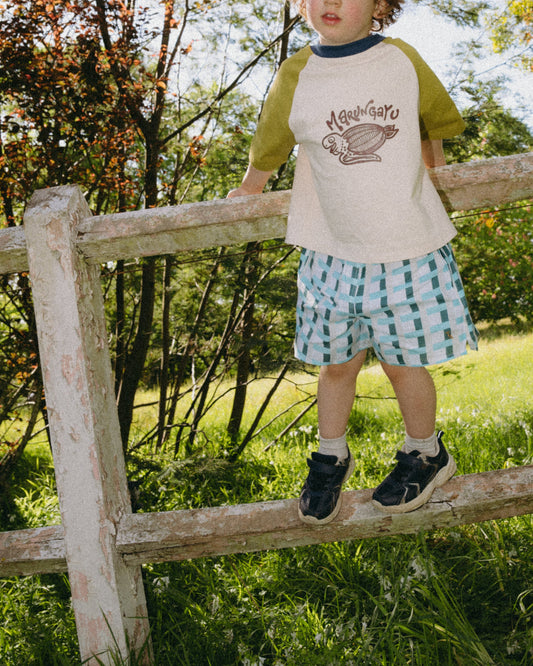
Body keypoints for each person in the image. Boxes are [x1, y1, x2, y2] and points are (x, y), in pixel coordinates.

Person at [228, 0, 478, 524]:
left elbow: (433, 120)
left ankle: (425, 451)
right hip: (330, 249)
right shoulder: (297, 73)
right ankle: (330, 453)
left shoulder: (401, 60)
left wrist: (435, 172)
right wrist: (249, 189)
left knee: (402, 362)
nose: (329, 3)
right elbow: (269, 142)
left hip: (405, 244)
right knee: (336, 364)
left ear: (381, 5)